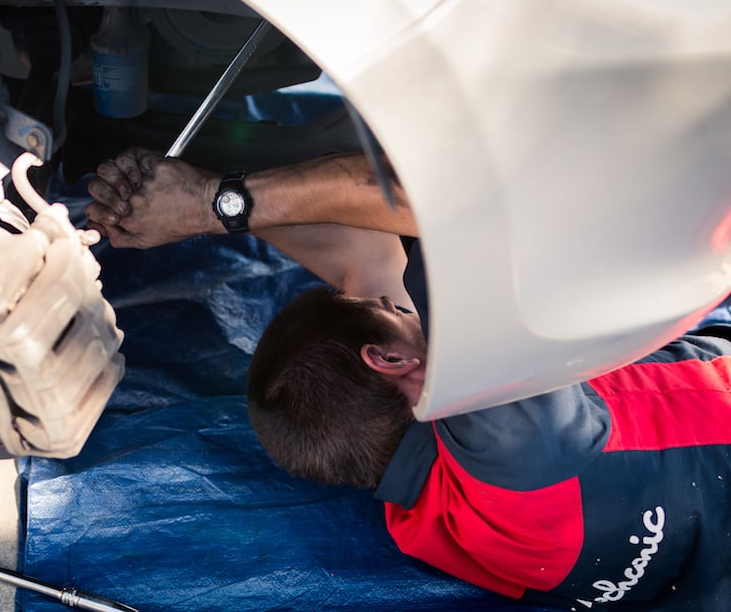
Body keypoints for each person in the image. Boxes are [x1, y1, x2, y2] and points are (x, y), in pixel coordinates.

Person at [86, 147, 731, 611]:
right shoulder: (503, 435)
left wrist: (211, 200)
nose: (405, 305)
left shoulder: (425, 516)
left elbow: (364, 261)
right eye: (395, 314)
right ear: (388, 361)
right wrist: (211, 202)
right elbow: (453, 205)